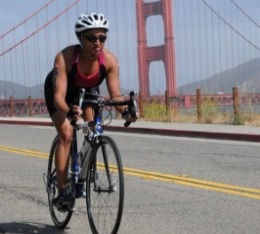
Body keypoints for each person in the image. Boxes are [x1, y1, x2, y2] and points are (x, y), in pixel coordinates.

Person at [44, 12, 137, 209]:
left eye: (102, 37)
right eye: (91, 38)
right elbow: (59, 97)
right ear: (81, 38)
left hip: (86, 92)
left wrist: (127, 111)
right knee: (67, 133)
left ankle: (82, 170)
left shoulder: (109, 61)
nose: (98, 42)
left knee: (91, 129)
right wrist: (69, 113)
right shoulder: (65, 57)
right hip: (62, 94)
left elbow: (116, 97)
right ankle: (63, 191)